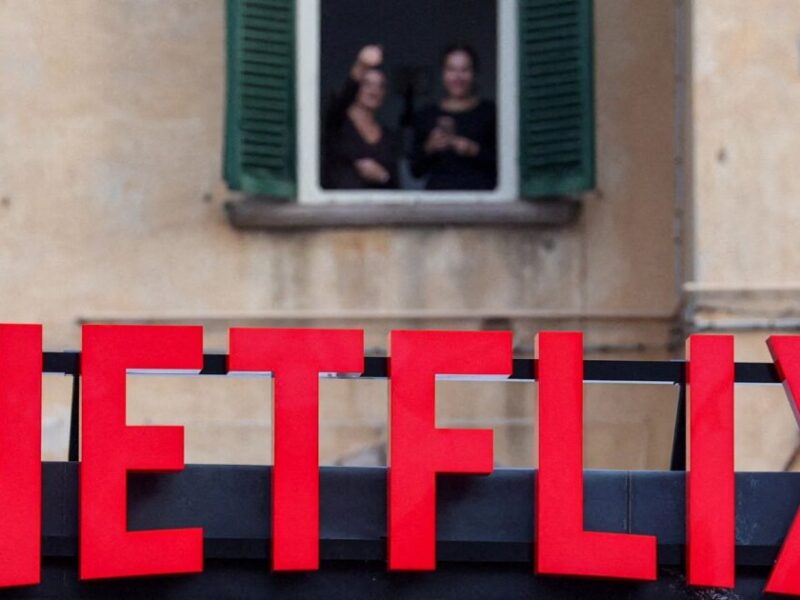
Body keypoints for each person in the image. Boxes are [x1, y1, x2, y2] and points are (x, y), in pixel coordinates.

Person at [410, 44, 497, 190]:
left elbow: (506, 165)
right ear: (443, 74)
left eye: (464, 70)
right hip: (439, 197)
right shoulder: (426, 115)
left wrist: (473, 150)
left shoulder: (489, 112)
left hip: (481, 197)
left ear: (474, 74)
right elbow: (415, 171)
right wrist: (430, 147)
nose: (458, 77)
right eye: (451, 69)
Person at [322, 45, 399, 190]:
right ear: (357, 87)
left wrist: (382, 177)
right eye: (367, 84)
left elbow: (396, 187)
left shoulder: (389, 137)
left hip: (377, 204)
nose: (374, 90)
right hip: (338, 202)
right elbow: (343, 98)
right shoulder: (337, 122)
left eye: (380, 86)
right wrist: (361, 65)